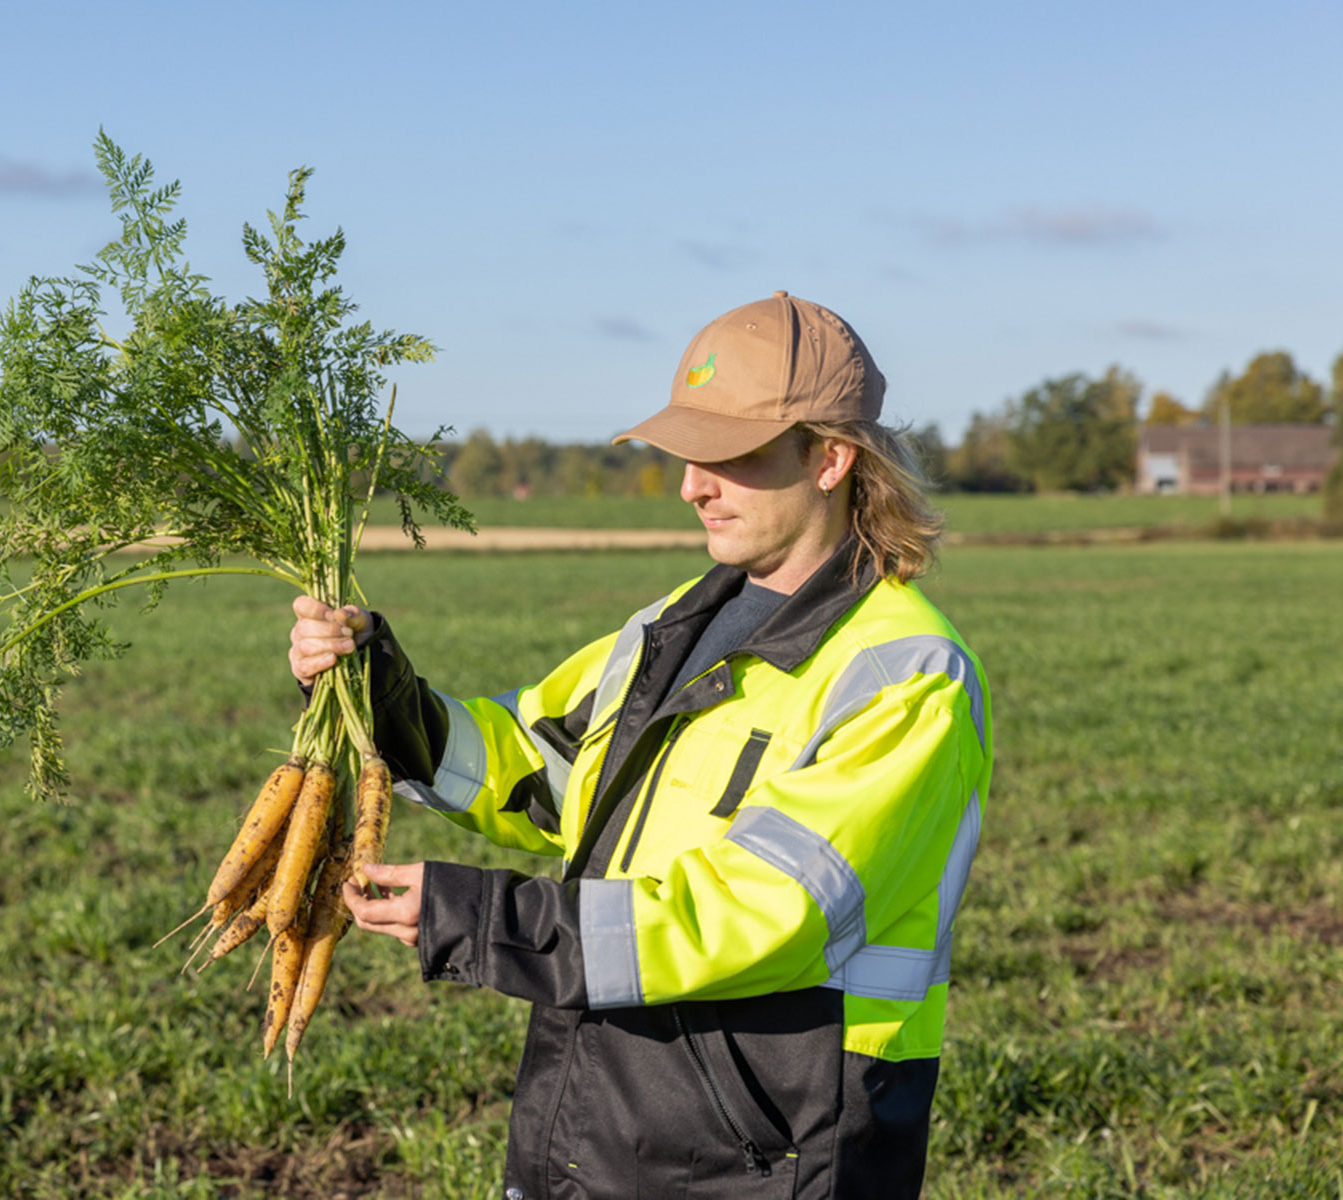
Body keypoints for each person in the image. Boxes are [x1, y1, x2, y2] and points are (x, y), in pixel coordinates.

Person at [290, 292, 992, 1200]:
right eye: (689, 455)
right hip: (599, 1120)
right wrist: (372, 692)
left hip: (771, 1156)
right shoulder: (674, 621)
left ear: (831, 458)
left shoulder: (905, 675)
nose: (694, 484)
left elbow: (758, 916)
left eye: (730, 457)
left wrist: (485, 920)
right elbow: (534, 769)